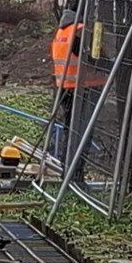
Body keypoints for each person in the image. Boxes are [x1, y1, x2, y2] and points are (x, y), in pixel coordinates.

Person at [49, 9, 81, 160]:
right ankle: (71, 167)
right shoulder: (79, 31)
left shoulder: (62, 32)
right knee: (77, 131)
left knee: (70, 127)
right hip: (80, 87)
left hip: (64, 86)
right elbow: (93, 57)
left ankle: (66, 164)